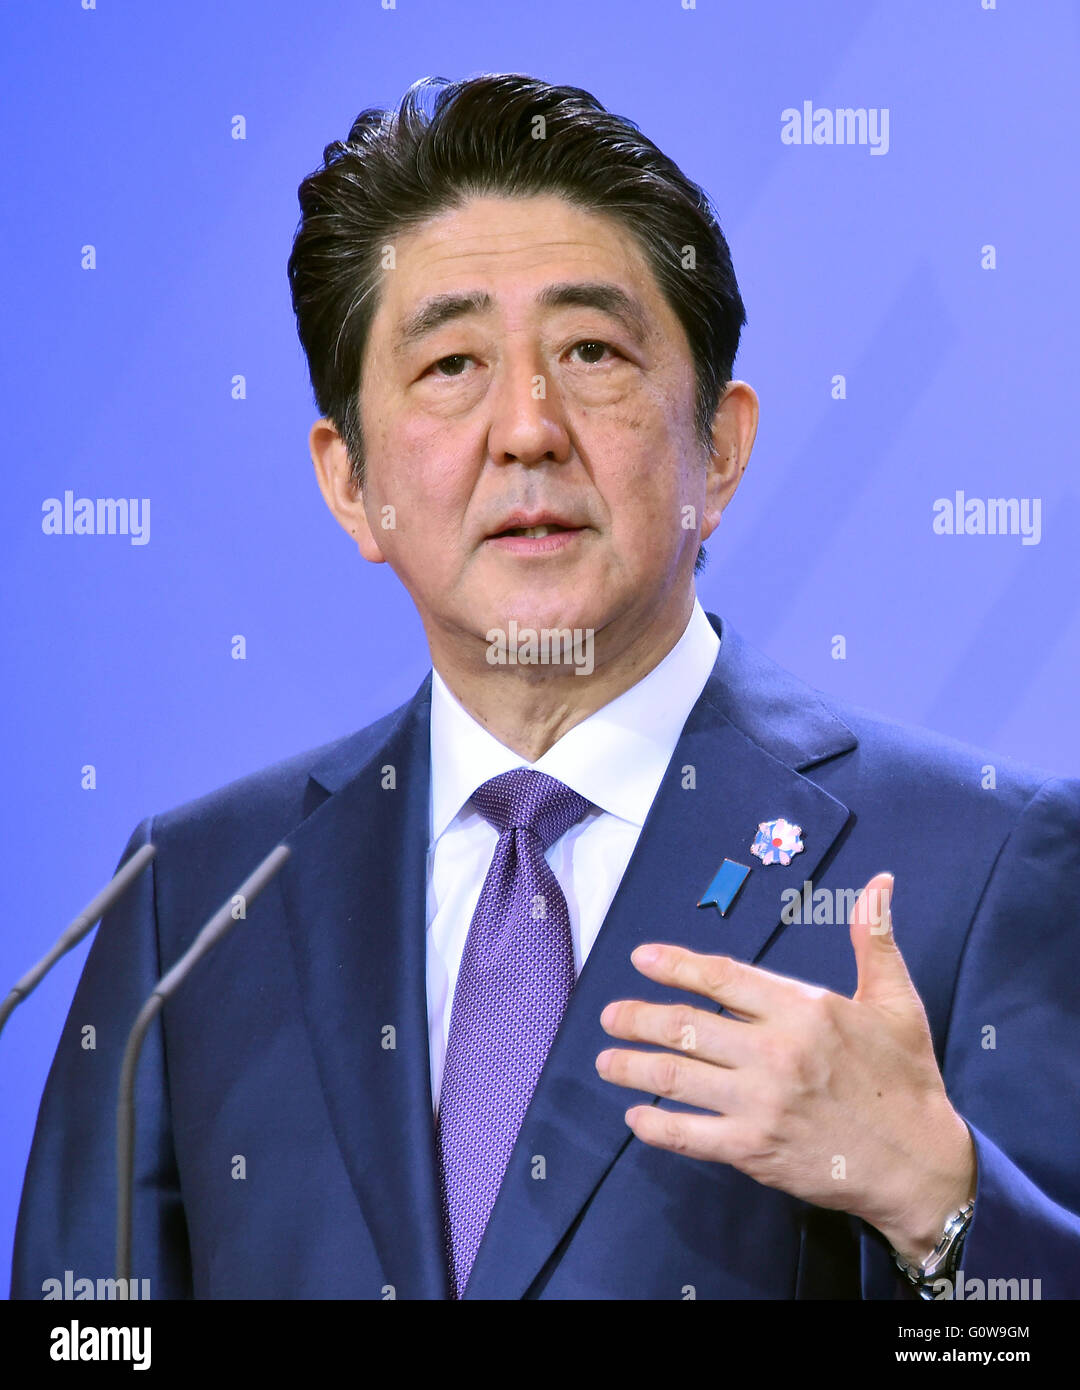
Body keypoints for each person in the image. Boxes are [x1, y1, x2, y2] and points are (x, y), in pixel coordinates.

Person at [12, 73, 1080, 1301]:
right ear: (351, 482)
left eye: (590, 350)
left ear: (719, 450)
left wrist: (939, 1202)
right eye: (452, 363)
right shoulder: (195, 901)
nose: (526, 428)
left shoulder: (981, 861)